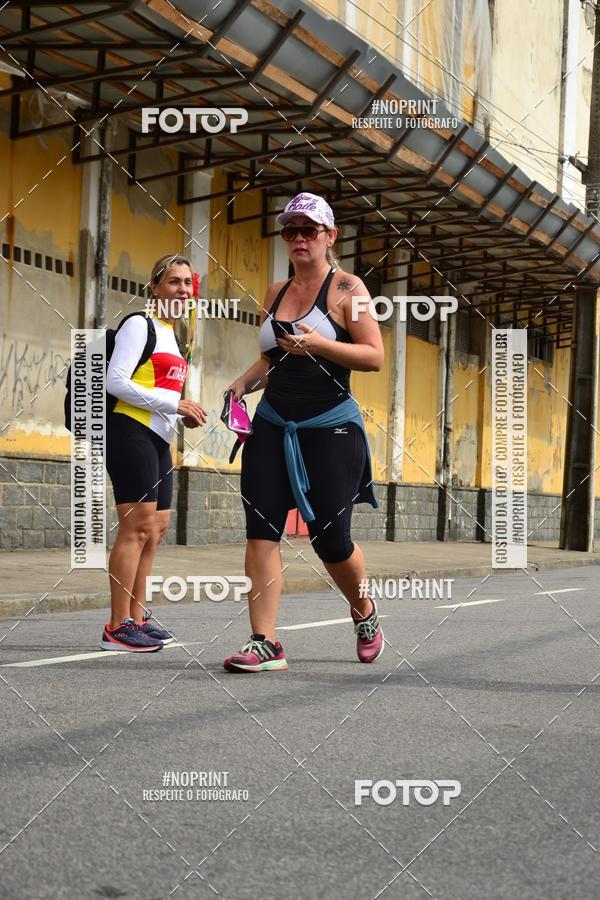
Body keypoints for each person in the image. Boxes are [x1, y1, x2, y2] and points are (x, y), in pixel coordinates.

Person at [223, 192, 384, 673]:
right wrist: (241, 383)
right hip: (273, 422)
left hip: (330, 427)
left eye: (308, 230)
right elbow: (272, 355)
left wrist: (320, 344)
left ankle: (363, 610)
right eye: (290, 230)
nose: (297, 238)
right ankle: (265, 642)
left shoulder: (348, 290)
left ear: (329, 237)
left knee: (330, 540)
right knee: (261, 530)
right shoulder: (275, 291)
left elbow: (374, 356)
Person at [101, 254, 207, 652]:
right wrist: (173, 405)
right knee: (136, 528)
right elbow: (115, 381)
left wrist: (184, 411)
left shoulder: (172, 335)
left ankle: (138, 618)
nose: (182, 289)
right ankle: (116, 627)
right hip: (130, 432)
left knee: (156, 531)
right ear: (155, 288)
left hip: (159, 439)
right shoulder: (138, 325)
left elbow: (162, 393)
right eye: (173, 282)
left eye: (187, 283)